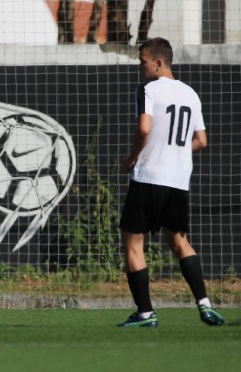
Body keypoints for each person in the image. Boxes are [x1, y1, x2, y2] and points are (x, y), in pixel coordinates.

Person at [118, 37, 225, 327]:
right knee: (180, 242)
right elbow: (201, 140)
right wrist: (174, 149)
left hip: (149, 176)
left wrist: (132, 156)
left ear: (158, 62)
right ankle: (204, 304)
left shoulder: (148, 89)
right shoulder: (190, 93)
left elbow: (144, 128)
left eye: (143, 62)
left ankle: (145, 313)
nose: (140, 68)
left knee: (132, 242)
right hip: (178, 180)